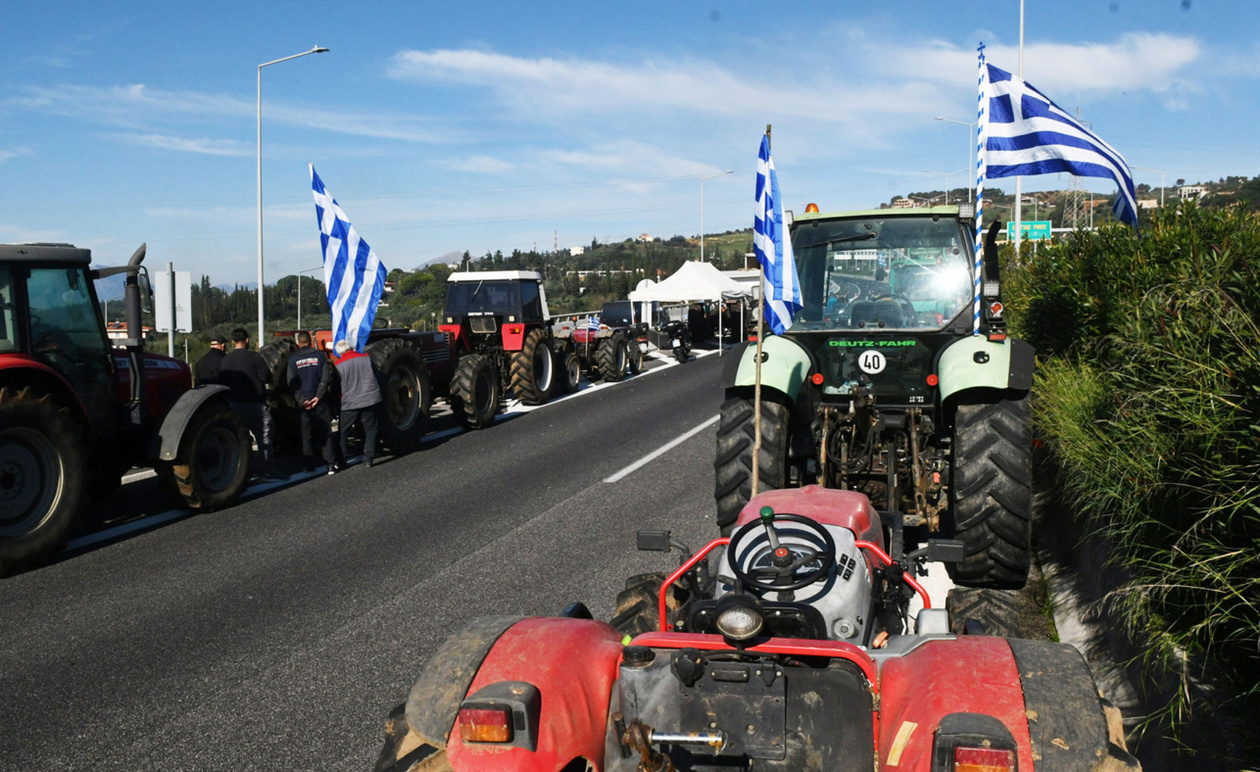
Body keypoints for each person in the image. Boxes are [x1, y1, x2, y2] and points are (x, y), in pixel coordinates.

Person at [218, 327, 286, 481]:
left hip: (234, 404)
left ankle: (244, 473)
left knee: (240, 441)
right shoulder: (254, 357)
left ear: (233, 341)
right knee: (264, 439)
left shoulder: (225, 360)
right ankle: (268, 470)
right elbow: (267, 377)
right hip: (255, 404)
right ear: (247, 340)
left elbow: (222, 381)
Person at [287, 331, 340, 474]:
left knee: (306, 435)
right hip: (320, 402)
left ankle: (309, 466)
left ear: (299, 343)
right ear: (311, 341)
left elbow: (291, 383)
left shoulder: (292, 360)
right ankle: (330, 464)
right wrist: (318, 397)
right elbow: (325, 379)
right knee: (325, 432)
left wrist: (302, 400)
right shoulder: (320, 356)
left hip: (303, 404)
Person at [334, 340, 383, 468]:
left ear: (340, 352)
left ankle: (342, 460)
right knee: (371, 429)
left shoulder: (338, 365)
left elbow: (336, 386)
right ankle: (368, 459)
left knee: (343, 432)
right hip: (369, 399)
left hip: (349, 403)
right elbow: (376, 375)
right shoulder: (366, 358)